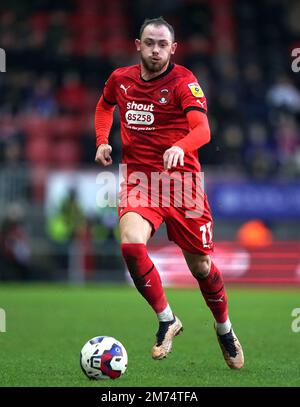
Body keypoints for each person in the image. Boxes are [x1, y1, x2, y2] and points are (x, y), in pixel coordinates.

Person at [94, 17, 244, 369]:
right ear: (138, 44)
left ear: (173, 48)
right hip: (139, 181)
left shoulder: (183, 82)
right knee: (131, 243)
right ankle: (166, 320)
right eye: (150, 43)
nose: (156, 49)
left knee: (202, 266)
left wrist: (181, 145)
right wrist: (102, 141)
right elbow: (104, 105)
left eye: (163, 44)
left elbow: (203, 129)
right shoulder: (121, 79)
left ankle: (224, 328)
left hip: (182, 185)